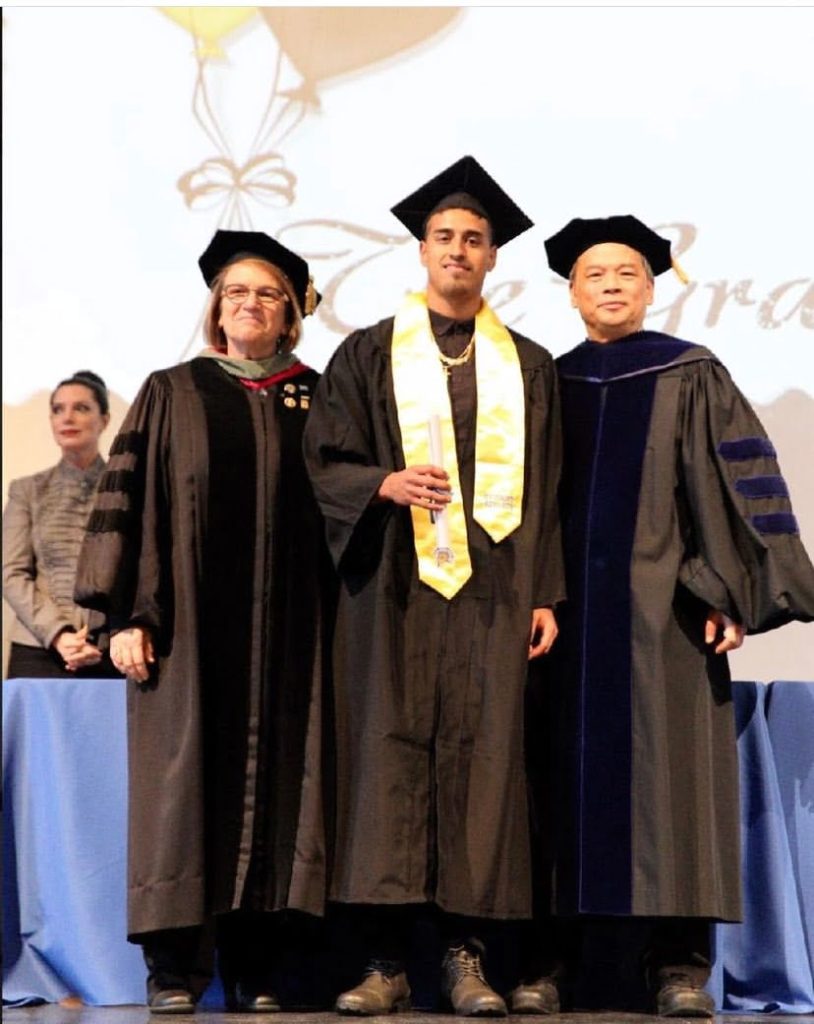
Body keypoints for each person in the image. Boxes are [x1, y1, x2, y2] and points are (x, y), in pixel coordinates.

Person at [513, 215, 814, 1018]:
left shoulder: (691, 371)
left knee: (673, 785)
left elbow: (740, 484)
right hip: (562, 622)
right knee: (553, 784)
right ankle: (553, 964)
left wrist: (727, 588)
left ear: (650, 289)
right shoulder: (546, 380)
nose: (611, 285)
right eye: (595, 275)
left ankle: (678, 967)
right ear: (570, 291)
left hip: (663, 618)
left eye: (628, 274)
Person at [303, 156, 565, 1017]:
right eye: (445, 236)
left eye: (475, 240)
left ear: (494, 259)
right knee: (388, 765)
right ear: (422, 250)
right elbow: (323, 463)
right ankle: (386, 960)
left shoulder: (527, 365)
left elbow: (550, 486)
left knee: (485, 771)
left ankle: (467, 957)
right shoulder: (366, 353)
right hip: (391, 592)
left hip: (493, 594)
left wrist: (544, 594)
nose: (459, 250)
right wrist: (380, 484)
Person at [74, 230, 332, 1014]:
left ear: (290, 313)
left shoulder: (318, 397)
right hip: (184, 633)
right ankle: (174, 969)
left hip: (295, 636)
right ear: (215, 310)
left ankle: (260, 969)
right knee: (180, 789)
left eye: (266, 294)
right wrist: (122, 615)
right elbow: (129, 502)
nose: (247, 304)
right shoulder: (173, 389)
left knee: (287, 789)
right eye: (233, 293)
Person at [3, 370, 118, 679]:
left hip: (109, 648)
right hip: (37, 649)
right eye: (58, 409)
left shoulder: (126, 490)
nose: (67, 417)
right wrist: (59, 633)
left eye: (81, 408)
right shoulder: (26, 490)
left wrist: (99, 631)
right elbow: (11, 572)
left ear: (104, 420)